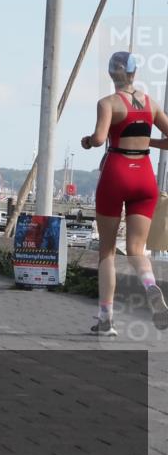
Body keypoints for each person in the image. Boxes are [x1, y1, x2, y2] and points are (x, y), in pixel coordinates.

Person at [81, 51, 168, 336]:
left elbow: (98, 138)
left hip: (117, 172)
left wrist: (86, 142)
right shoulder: (151, 104)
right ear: (134, 74)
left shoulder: (107, 103)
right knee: (136, 249)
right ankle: (149, 285)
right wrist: (147, 141)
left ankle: (106, 319)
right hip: (144, 175)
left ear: (111, 74)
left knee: (107, 250)